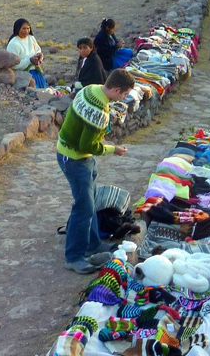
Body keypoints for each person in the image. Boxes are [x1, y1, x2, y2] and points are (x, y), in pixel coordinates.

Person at [57, 69, 137, 274]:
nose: (124, 98)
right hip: (75, 159)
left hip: (71, 153)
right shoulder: (99, 111)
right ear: (116, 89)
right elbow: (87, 145)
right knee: (83, 207)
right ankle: (74, 256)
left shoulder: (90, 89)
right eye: (125, 94)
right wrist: (113, 149)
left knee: (90, 201)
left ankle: (92, 243)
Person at [6, 18, 46, 88]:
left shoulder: (31, 38)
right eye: (23, 28)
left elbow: (38, 50)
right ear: (18, 29)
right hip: (24, 74)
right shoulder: (13, 43)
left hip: (36, 72)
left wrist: (39, 57)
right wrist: (29, 60)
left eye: (28, 28)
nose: (26, 31)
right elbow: (13, 64)